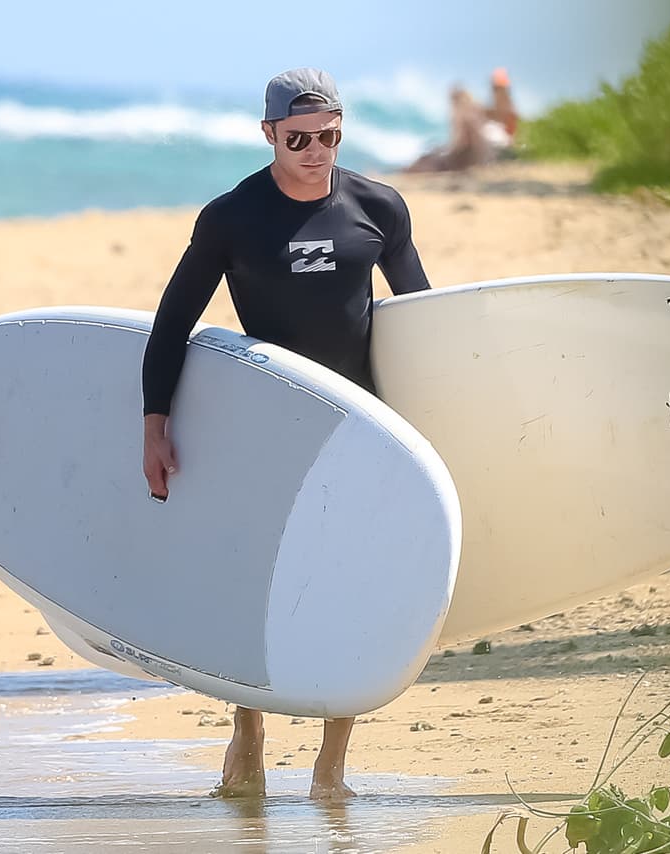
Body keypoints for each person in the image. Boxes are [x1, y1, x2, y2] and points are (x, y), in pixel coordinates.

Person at [139, 67, 432, 801]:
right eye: (298, 137)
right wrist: (155, 426)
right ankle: (250, 727)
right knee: (263, 583)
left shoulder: (377, 207)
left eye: (328, 136)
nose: (314, 150)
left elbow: (426, 319)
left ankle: (331, 767)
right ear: (268, 133)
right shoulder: (233, 218)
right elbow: (173, 323)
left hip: (361, 424)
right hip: (268, 425)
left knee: (352, 587)